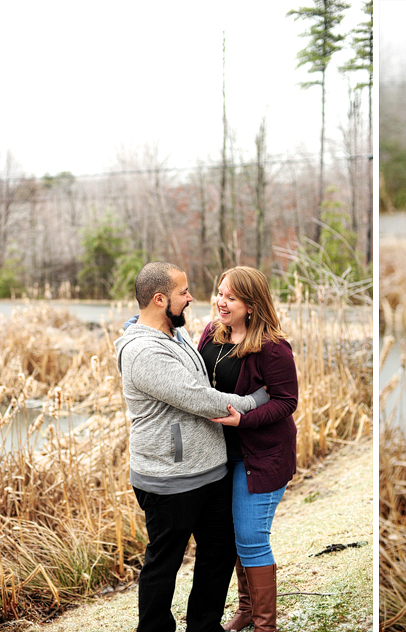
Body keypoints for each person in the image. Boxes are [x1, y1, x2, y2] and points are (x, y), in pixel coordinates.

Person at [114, 261, 269, 632]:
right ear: (159, 298)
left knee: (217, 554)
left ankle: (204, 626)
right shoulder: (143, 352)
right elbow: (200, 398)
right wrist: (255, 399)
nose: (191, 298)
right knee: (164, 562)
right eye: (184, 292)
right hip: (169, 480)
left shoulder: (172, 331)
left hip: (209, 472)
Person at [200, 266, 298, 632]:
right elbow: (199, 380)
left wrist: (244, 420)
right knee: (234, 535)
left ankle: (265, 626)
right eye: (220, 292)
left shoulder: (273, 348)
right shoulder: (211, 332)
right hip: (220, 455)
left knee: (252, 537)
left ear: (251, 306)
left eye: (231, 297)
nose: (221, 302)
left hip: (262, 456)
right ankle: (245, 610)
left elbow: (287, 402)